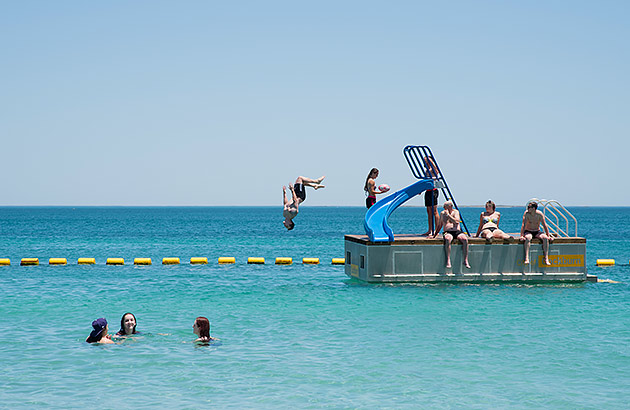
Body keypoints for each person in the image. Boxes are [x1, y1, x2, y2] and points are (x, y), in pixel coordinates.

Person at [432, 200, 470, 269]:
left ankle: (465, 260)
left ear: (450, 206)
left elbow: (456, 221)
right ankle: (448, 260)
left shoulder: (456, 212)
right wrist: (434, 235)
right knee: (448, 239)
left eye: (445, 206)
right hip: (448, 232)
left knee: (464, 239)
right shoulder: (442, 213)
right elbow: (440, 225)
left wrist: (448, 215)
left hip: (457, 231)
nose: (444, 207)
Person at [421, 156, 440, 236]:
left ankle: (436, 230)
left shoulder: (433, 169)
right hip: (427, 191)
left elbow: (436, 170)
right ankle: (430, 229)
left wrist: (430, 160)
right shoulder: (426, 170)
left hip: (433, 191)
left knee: (434, 211)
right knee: (428, 211)